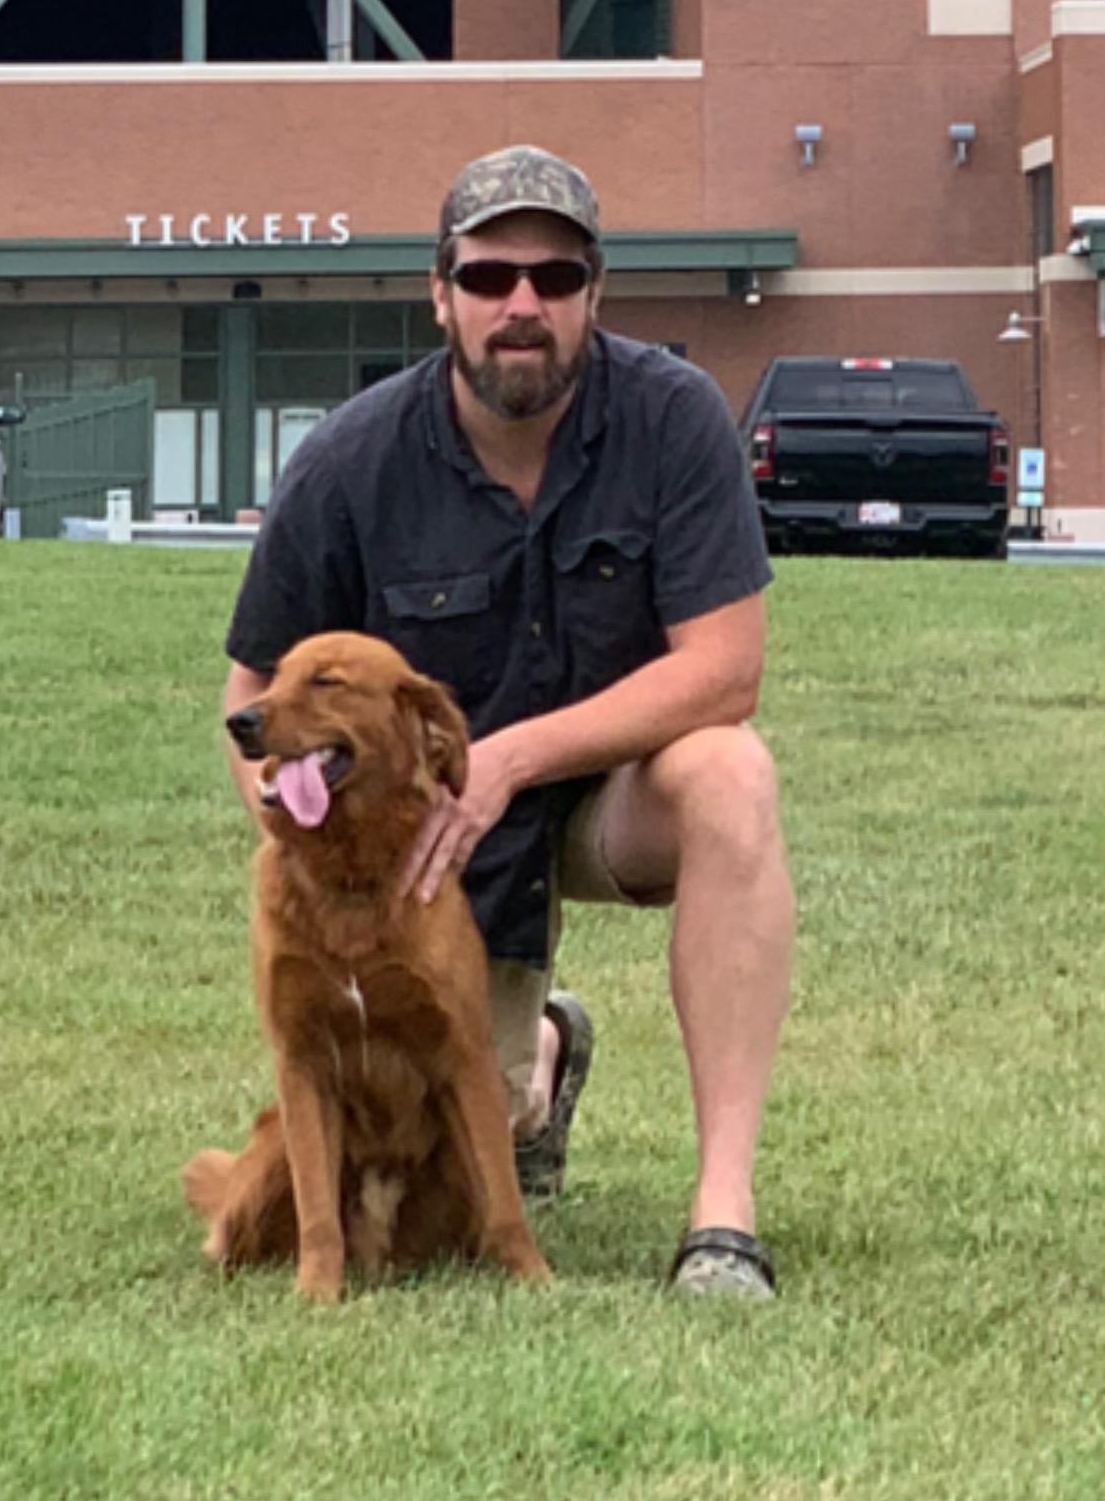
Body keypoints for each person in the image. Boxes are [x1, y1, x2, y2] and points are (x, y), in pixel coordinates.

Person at [223, 145, 795, 1300]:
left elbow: (725, 671)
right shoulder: (349, 458)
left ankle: (722, 1217)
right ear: (441, 294)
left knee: (732, 771)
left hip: (607, 796)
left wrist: (510, 757)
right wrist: (313, 840)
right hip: (427, 842)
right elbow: (250, 699)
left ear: (595, 291)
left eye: (554, 275)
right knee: (455, 1102)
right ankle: (538, 1050)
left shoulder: (674, 417)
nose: (521, 304)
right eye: (488, 278)